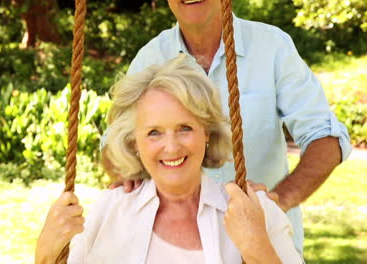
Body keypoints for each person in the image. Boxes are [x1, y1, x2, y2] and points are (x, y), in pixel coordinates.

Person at [103, 0, 352, 252]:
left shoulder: (272, 46)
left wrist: (276, 203)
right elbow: (114, 144)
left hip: (264, 242)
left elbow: (326, 137)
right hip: (177, 249)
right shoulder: (151, 56)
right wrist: (125, 173)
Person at [36, 55, 303, 263]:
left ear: (207, 133)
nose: (171, 146)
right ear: (134, 142)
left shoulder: (256, 213)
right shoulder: (109, 212)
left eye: (184, 128)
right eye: (154, 133)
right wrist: (45, 254)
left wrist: (258, 251)